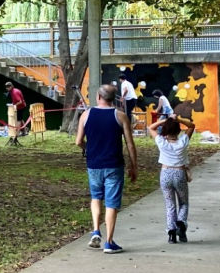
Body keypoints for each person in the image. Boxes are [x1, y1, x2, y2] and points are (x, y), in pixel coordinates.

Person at [76, 82, 139, 254]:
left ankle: (96, 230)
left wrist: (89, 149)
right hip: (114, 165)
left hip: (94, 164)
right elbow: (130, 145)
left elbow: (78, 141)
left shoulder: (86, 115)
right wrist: (134, 166)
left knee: (96, 197)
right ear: (114, 99)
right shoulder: (121, 116)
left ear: (98, 97)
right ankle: (109, 242)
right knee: (111, 203)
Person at [150, 114, 191, 243]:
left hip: (165, 173)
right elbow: (192, 125)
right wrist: (178, 119)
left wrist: (165, 121)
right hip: (179, 173)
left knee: (170, 205)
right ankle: (181, 223)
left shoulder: (162, 142)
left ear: (165, 130)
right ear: (179, 130)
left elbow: (151, 128)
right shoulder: (183, 141)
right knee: (183, 202)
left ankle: (171, 233)